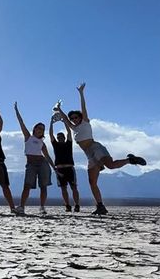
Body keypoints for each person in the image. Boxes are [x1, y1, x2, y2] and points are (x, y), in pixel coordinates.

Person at [53, 83, 147, 216]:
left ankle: (129, 160)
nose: (74, 120)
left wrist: (81, 93)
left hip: (95, 147)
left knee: (110, 165)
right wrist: (58, 109)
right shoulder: (74, 129)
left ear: (80, 117)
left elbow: (83, 108)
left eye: (76, 117)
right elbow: (64, 119)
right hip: (89, 155)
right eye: (72, 118)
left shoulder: (85, 122)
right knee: (92, 182)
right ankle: (100, 206)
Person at [14, 103, 58, 215]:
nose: (40, 130)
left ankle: (42, 207)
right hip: (31, 165)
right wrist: (16, 110)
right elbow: (21, 123)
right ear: (35, 129)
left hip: (42, 163)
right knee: (27, 185)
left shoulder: (42, 143)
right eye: (39, 128)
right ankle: (21, 206)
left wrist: (55, 168)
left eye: (42, 129)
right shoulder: (28, 137)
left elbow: (47, 156)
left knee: (43, 186)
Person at [49, 111, 80, 213]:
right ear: (57, 139)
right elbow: (50, 135)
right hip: (59, 169)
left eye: (61, 137)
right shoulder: (55, 145)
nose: (60, 138)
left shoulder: (68, 143)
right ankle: (67, 205)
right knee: (63, 188)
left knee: (73, 187)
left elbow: (69, 132)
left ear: (64, 138)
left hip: (69, 168)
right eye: (59, 137)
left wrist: (64, 122)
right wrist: (51, 123)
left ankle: (77, 205)